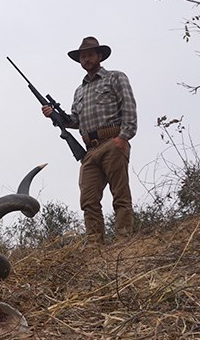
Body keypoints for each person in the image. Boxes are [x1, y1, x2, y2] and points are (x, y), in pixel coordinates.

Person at [42, 36, 137, 244]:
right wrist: (54, 116)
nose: (86, 59)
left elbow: (129, 108)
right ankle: (95, 246)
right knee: (89, 200)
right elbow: (74, 120)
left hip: (112, 142)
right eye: (83, 57)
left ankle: (123, 241)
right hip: (89, 151)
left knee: (120, 195)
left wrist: (123, 138)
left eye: (90, 55)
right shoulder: (79, 91)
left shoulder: (115, 78)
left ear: (99, 56)